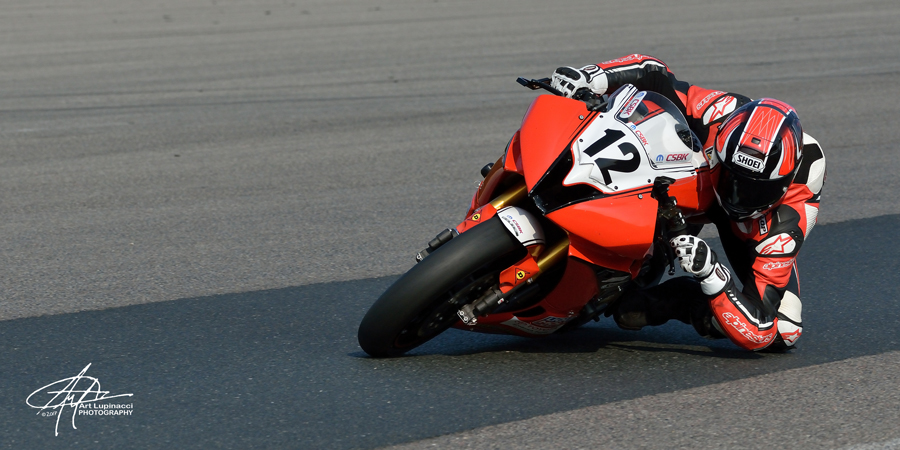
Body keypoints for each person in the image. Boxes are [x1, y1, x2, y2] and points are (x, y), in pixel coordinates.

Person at [550, 54, 826, 351]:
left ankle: (673, 299)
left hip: (751, 226)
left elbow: (759, 331)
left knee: (783, 330)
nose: (738, 196)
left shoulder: (787, 220)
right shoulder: (720, 113)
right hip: (697, 181)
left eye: (754, 191)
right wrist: (593, 76)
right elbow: (656, 75)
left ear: (783, 184)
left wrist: (712, 275)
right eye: (733, 180)